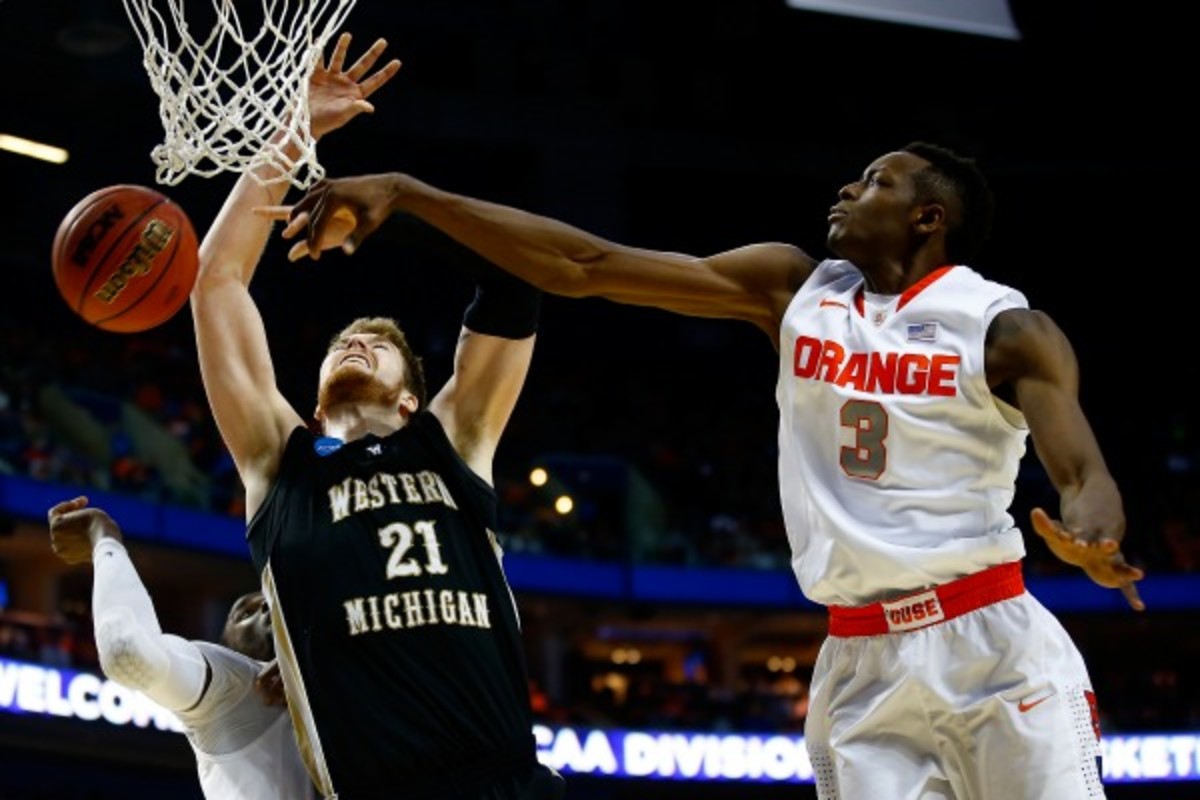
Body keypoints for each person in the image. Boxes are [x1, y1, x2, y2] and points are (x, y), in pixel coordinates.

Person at [265, 142, 1146, 799]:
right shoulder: (795, 289)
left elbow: (1083, 471)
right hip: (860, 659)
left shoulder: (1003, 328)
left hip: (989, 636)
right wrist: (412, 196)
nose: (848, 187)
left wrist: (1094, 535)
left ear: (930, 218)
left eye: (877, 180)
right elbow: (586, 265)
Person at [190, 31, 565, 800]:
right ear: (319, 384)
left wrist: (390, 210)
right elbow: (217, 284)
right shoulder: (277, 460)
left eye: (379, 344)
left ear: (409, 399)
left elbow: (513, 283)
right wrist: (296, 132)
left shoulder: (454, 440)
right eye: (342, 343)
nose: (356, 339)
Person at [47, 495, 315, 799]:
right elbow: (126, 652)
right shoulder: (235, 689)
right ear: (226, 648)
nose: (266, 608)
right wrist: (104, 536)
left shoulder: (345, 686)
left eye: (273, 602)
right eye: (245, 612)